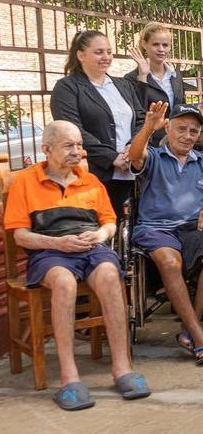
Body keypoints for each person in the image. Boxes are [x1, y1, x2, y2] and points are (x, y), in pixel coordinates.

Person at [3, 121, 151, 410]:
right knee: (64, 282)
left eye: (79, 145)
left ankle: (122, 369)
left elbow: (109, 222)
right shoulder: (25, 181)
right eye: (68, 145)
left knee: (110, 274)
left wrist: (98, 235)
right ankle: (69, 378)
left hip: (89, 247)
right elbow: (20, 235)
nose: (77, 151)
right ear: (46, 149)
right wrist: (58, 243)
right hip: (50, 250)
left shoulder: (91, 181)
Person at [128, 102, 203, 364]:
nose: (187, 136)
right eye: (181, 129)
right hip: (157, 228)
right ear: (167, 128)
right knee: (170, 262)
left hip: (194, 227)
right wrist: (148, 127)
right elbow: (134, 156)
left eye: (193, 131)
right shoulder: (155, 157)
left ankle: (190, 327)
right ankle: (197, 334)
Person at [51, 29, 146, 218]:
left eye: (109, 52)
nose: (106, 57)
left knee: (129, 227)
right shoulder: (67, 87)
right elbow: (72, 129)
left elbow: (142, 119)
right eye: (99, 52)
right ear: (80, 55)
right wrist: (111, 157)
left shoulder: (123, 85)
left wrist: (132, 148)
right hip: (95, 172)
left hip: (131, 169)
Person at [126, 22, 186, 112]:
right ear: (145, 44)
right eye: (156, 44)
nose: (161, 49)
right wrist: (142, 79)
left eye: (165, 45)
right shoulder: (131, 79)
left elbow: (182, 109)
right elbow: (137, 113)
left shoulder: (175, 76)